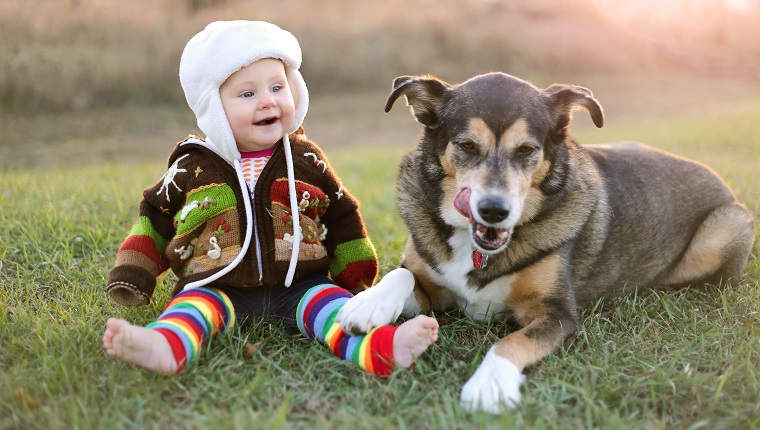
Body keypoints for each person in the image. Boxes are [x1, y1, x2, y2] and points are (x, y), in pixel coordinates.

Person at [102, 20, 438, 376]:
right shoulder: (192, 166)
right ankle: (165, 346)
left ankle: (382, 348)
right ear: (213, 108)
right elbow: (155, 217)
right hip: (217, 284)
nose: (267, 101)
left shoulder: (305, 159)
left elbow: (341, 212)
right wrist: (133, 272)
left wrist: (355, 269)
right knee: (190, 310)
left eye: (277, 87)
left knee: (336, 312)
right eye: (247, 94)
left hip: (302, 284)